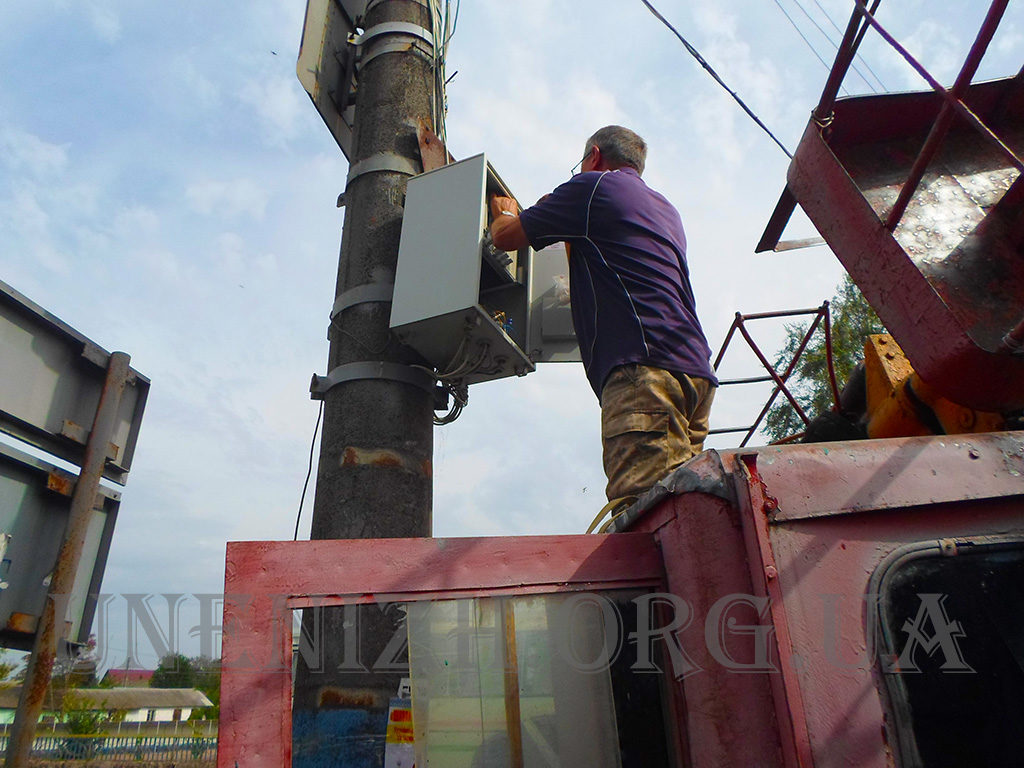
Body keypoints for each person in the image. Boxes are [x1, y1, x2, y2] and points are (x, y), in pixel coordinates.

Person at [489, 125, 717, 504]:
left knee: (646, 513)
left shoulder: (592, 187)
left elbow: (504, 237)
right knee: (688, 509)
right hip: (694, 374)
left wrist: (504, 213)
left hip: (645, 373)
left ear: (593, 156)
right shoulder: (664, 209)